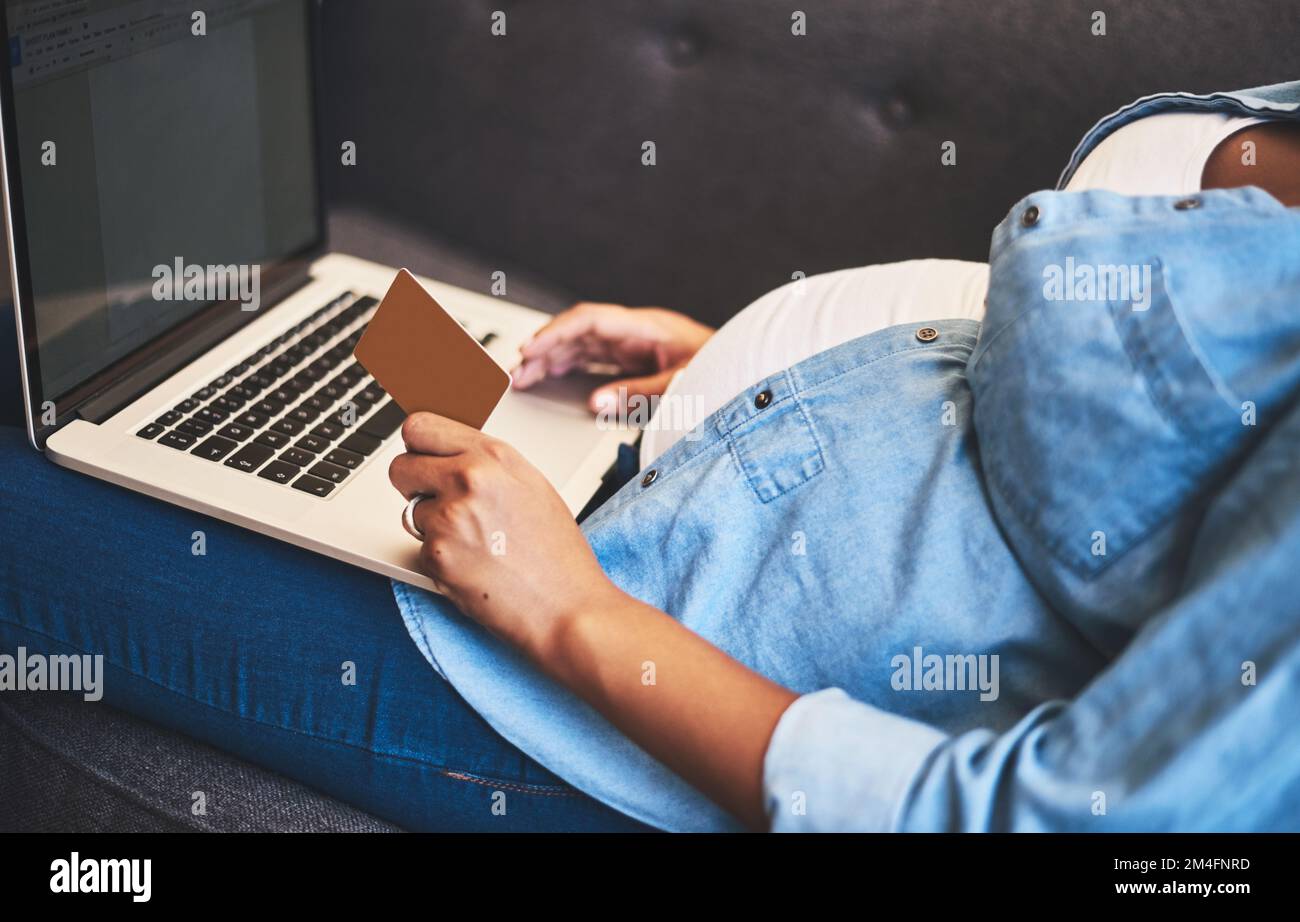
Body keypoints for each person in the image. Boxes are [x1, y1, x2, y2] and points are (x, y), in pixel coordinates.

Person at [2, 80, 1298, 831]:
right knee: (206, 342)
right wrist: (758, 368)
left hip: (619, 672)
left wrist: (574, 616)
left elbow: (1064, 821)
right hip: (638, 453)